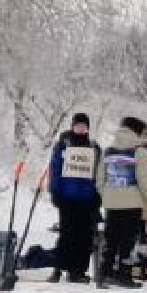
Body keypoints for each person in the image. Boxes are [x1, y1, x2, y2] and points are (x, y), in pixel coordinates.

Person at [96, 116, 147, 289]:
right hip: (132, 204)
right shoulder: (139, 151)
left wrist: (107, 195)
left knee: (111, 239)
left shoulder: (108, 151)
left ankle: (104, 273)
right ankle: (124, 274)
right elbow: (144, 181)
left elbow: (99, 179)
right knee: (128, 241)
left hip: (111, 203)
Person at [46, 112, 101, 283]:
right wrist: (54, 191)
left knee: (84, 236)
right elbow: (54, 169)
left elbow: (99, 173)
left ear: (88, 128)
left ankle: (78, 271)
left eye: (84, 126)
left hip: (87, 198)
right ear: (72, 126)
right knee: (67, 234)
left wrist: (98, 194)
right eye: (78, 125)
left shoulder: (94, 147)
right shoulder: (63, 145)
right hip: (67, 197)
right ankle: (58, 268)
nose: (80, 128)